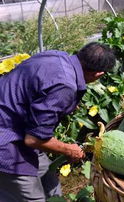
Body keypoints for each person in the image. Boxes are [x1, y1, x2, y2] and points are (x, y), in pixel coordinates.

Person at [0, 42, 116, 201]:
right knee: (32, 198)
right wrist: (69, 149)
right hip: (7, 144)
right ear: (98, 74)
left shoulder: (55, 55)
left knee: (49, 182)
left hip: (15, 125)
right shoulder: (65, 86)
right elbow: (33, 139)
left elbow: (35, 89)